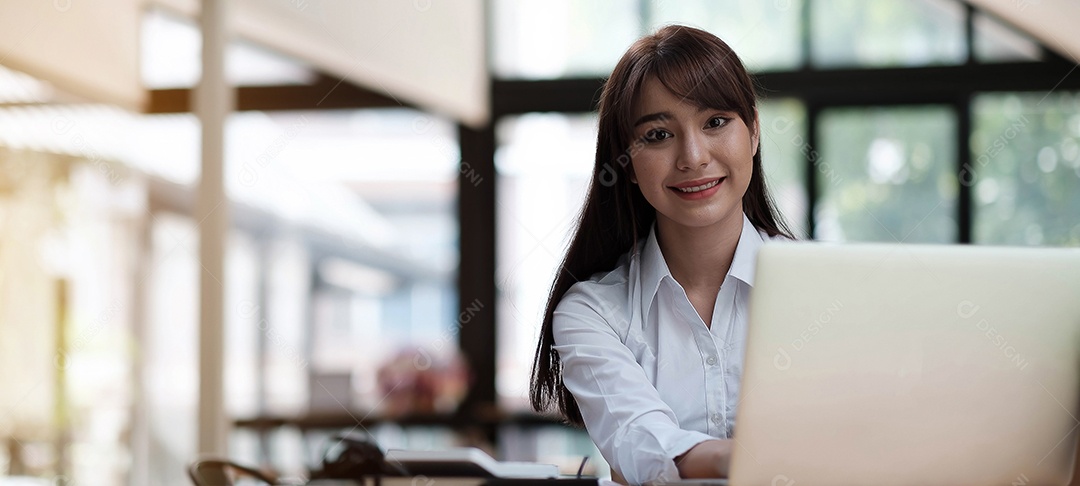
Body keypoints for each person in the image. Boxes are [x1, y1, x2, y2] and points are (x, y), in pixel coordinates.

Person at [529, 25, 794, 484]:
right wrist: (767, 458)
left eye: (715, 122)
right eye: (657, 135)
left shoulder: (822, 289)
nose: (693, 157)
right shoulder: (592, 314)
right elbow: (641, 441)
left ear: (752, 132)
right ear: (626, 163)